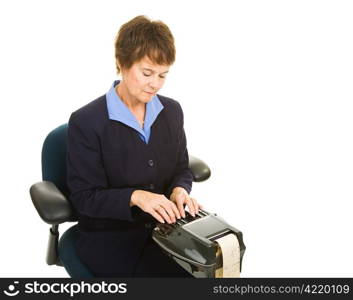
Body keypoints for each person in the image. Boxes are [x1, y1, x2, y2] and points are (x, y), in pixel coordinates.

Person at [66, 15, 201, 277]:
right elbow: (84, 197)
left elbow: (182, 169)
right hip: (111, 238)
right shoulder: (86, 121)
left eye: (163, 75)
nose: (155, 84)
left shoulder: (171, 111)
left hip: (167, 229)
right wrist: (136, 196)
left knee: (218, 263)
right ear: (121, 63)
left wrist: (179, 190)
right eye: (147, 73)